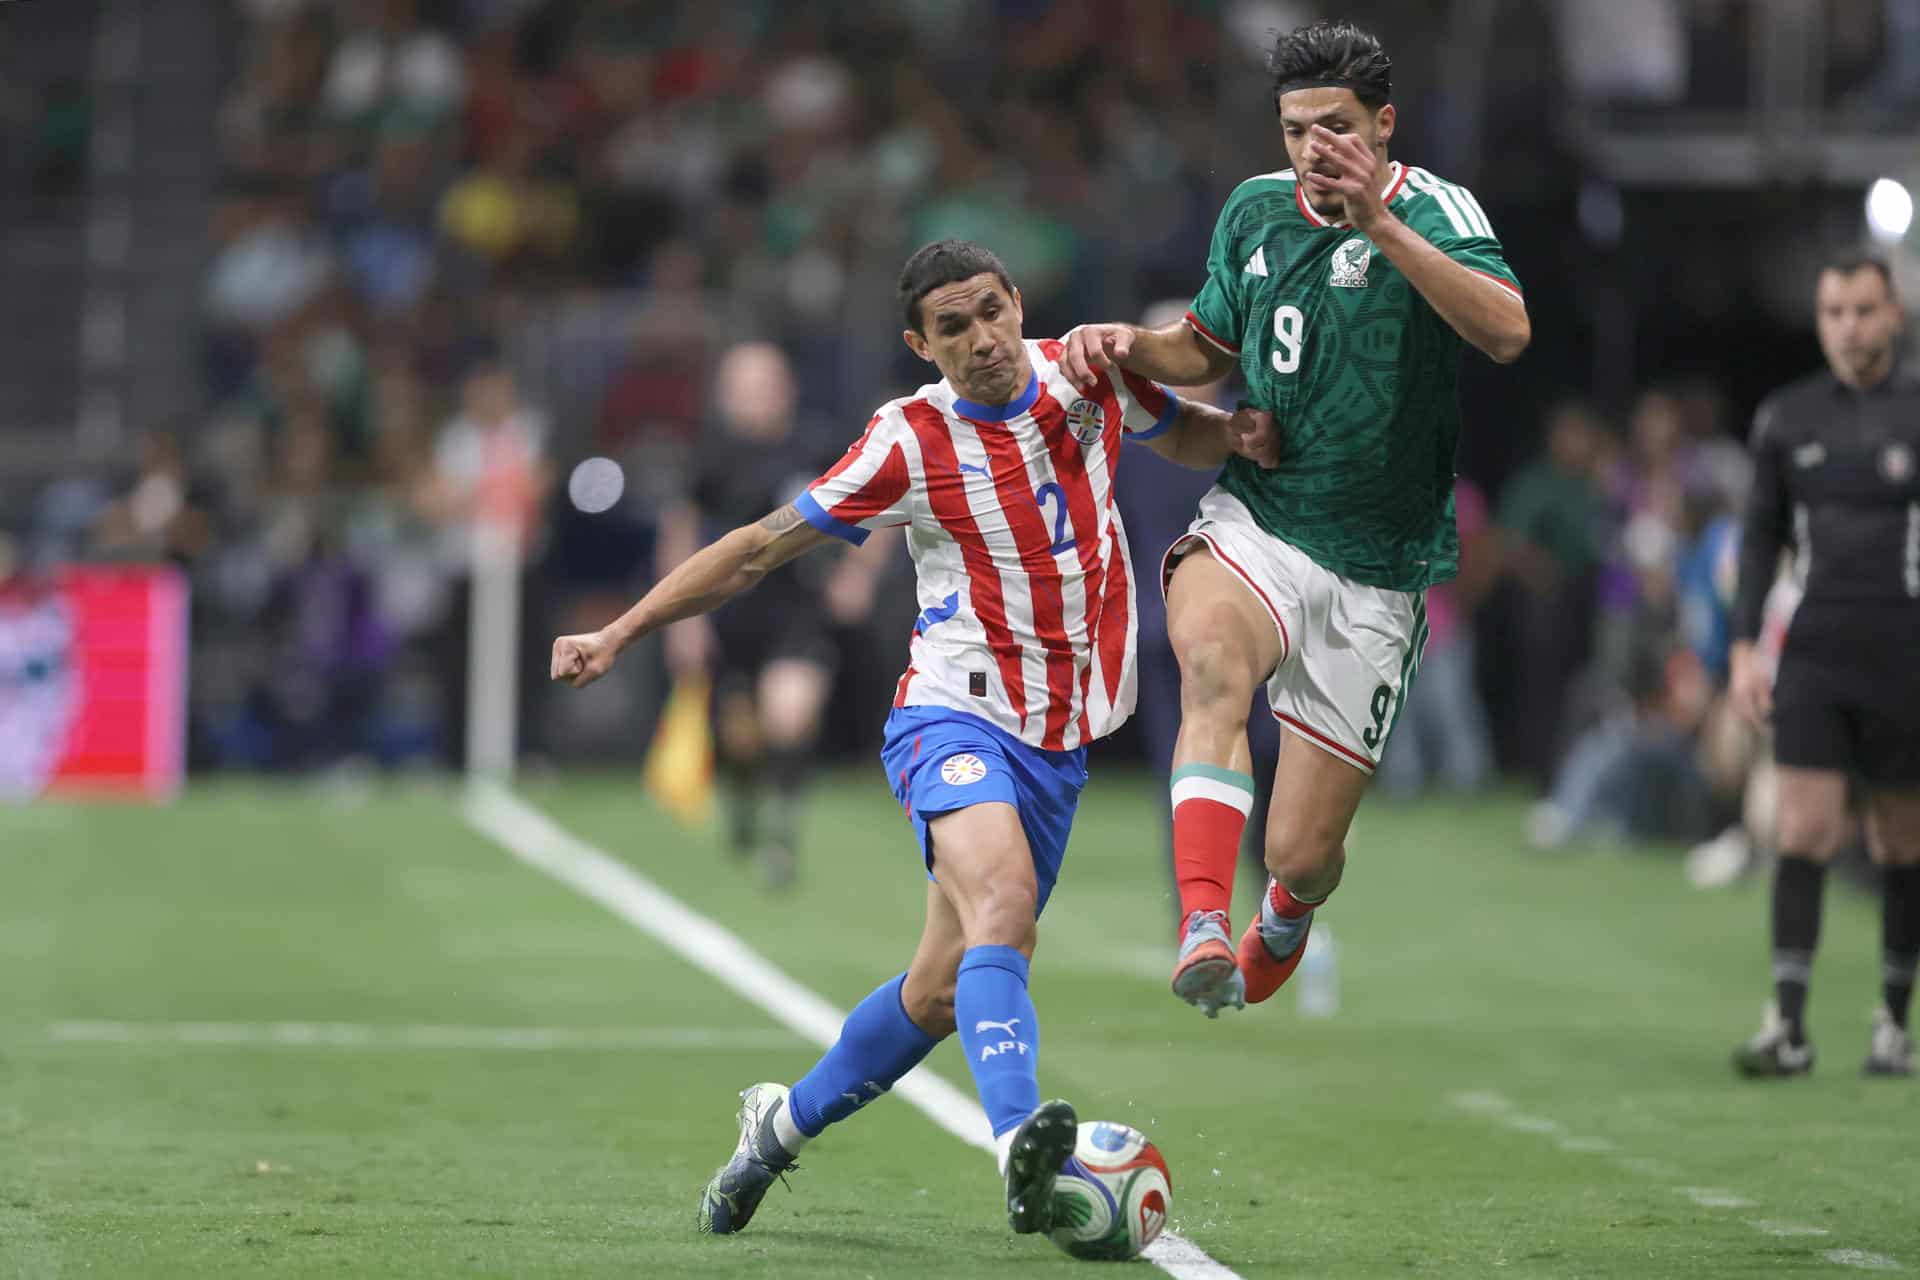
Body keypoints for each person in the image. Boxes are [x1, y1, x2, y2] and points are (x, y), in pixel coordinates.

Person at [550, 240, 1277, 1238]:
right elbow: (758, 547)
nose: (981, 339)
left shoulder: (1088, 370)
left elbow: (1179, 434)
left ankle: (776, 1126)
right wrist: (621, 629)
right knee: (1004, 901)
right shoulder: (908, 441)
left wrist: (1241, 436)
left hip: (1059, 744)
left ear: (1018, 303)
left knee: (938, 991)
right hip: (953, 713)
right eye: (953, 327)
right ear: (919, 344)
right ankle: (1026, 1143)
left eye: (990, 311)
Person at [1060, 19, 1530, 1016]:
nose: (1314, 147)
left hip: (1379, 565)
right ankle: (1197, 920)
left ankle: (1283, 910)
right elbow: (1203, 347)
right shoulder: (1255, 212)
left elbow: (1506, 331)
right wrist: (1132, 345)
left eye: (1336, 126)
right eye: (1295, 128)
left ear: (1384, 124)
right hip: (1261, 518)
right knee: (1211, 663)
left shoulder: (1437, 211)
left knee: (1305, 853)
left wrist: (1383, 230)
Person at [1728, 252, 1920, 1079]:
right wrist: (1742, 648)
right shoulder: (1786, 416)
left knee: (1901, 840)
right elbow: (1760, 534)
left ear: (1894, 316)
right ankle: (1789, 1028)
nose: (1849, 326)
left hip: (1907, 653)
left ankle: (1891, 1024)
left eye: (1863, 310)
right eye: (1834, 311)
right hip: (1814, 651)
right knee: (1801, 831)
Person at [657, 341, 886, 889]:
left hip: (799, 609)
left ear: (786, 389)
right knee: (740, 738)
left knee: (791, 713)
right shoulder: (710, 456)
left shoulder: (820, 445)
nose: (753, 400)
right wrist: (681, 618)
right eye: (741, 389)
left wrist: (856, 575)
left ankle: (783, 832)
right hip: (731, 610)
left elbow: (882, 505)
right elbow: (681, 532)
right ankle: (741, 804)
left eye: (763, 386)